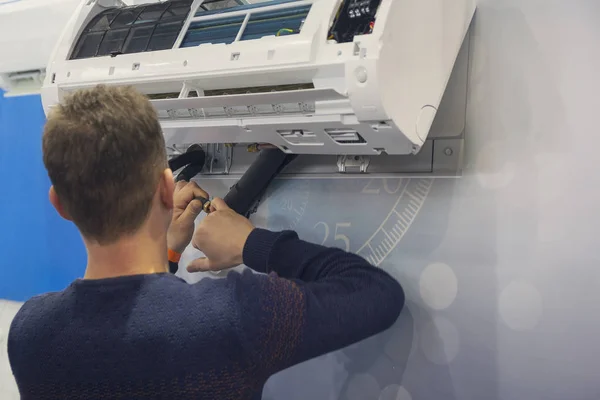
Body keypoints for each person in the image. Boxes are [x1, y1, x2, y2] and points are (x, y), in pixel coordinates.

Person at [8, 85, 405, 400]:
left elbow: (122, 349)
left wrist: (166, 254)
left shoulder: (30, 332)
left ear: (59, 205)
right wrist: (252, 243)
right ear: (168, 188)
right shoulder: (233, 316)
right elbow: (376, 293)